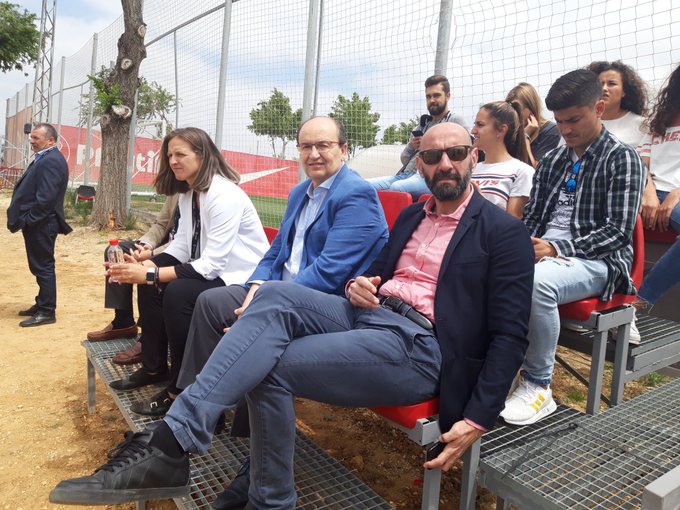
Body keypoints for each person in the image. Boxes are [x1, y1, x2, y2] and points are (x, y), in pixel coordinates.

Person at [50, 122, 534, 509]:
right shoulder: (410, 215)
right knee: (274, 295)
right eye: (432, 156)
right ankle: (209, 459)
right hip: (367, 314)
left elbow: (512, 334)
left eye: (454, 153)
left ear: (474, 155)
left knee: (266, 362)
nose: (443, 163)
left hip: (419, 345)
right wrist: (359, 284)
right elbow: (374, 272)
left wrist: (478, 417)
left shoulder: (501, 232)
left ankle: (210, 464)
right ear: (422, 164)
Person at [500, 69, 645, 426]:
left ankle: (538, 385)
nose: (565, 130)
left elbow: (617, 233)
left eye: (574, 120)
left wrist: (554, 247)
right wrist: (517, 244)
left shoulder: (622, 158)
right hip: (547, 253)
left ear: (599, 108)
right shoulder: (553, 161)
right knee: (490, 268)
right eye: (561, 121)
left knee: (535, 282)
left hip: (600, 260)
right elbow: (532, 217)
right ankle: (495, 368)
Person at [106, 128, 269, 397]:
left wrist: (149, 274)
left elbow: (212, 265)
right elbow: (182, 243)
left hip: (241, 277)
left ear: (203, 156)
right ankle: (154, 366)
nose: (172, 161)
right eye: (169, 155)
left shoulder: (223, 194)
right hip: (214, 268)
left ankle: (181, 388)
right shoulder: (188, 192)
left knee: (178, 293)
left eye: (180, 154)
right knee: (152, 281)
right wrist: (145, 268)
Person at [86, 193, 179, 366]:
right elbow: (160, 224)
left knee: (147, 273)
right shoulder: (178, 187)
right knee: (115, 251)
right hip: (161, 245)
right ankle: (123, 320)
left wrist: (151, 255)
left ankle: (148, 339)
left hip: (179, 252)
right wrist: (145, 245)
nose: (174, 164)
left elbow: (185, 241)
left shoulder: (204, 190)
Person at [7, 123, 72, 327]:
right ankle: (42, 302)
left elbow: (46, 199)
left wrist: (29, 220)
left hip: (42, 224)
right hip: (39, 223)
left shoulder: (51, 160)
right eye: (32, 137)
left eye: (36, 138)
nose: (31, 140)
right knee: (39, 265)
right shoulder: (46, 157)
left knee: (43, 266)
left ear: (50, 141)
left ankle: (46, 311)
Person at [368, 74, 469, 199]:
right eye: (428, 96)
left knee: (397, 188)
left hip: (429, 176)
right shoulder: (422, 125)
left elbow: (467, 152)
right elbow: (404, 159)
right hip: (406, 174)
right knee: (364, 186)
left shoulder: (454, 120)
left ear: (448, 96)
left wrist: (430, 146)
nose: (432, 100)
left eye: (436, 95)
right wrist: (412, 146)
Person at [636, 63, 680, 310]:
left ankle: (640, 299)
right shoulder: (657, 122)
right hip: (652, 189)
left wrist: (677, 193)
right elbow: (642, 165)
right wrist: (649, 193)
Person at [471, 101, 534, 218]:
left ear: (501, 130)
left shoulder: (522, 172)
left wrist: (479, 200)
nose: (473, 131)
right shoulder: (470, 169)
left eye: (480, 125)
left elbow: (513, 221)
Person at [586, 60, 648, 148]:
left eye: (611, 84)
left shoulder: (642, 125)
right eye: (600, 84)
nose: (604, 88)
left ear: (624, 91)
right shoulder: (581, 123)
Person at [506, 82, 562, 167]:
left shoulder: (551, 131)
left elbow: (535, 170)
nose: (514, 115)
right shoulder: (511, 132)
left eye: (517, 109)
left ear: (532, 109)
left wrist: (525, 137)